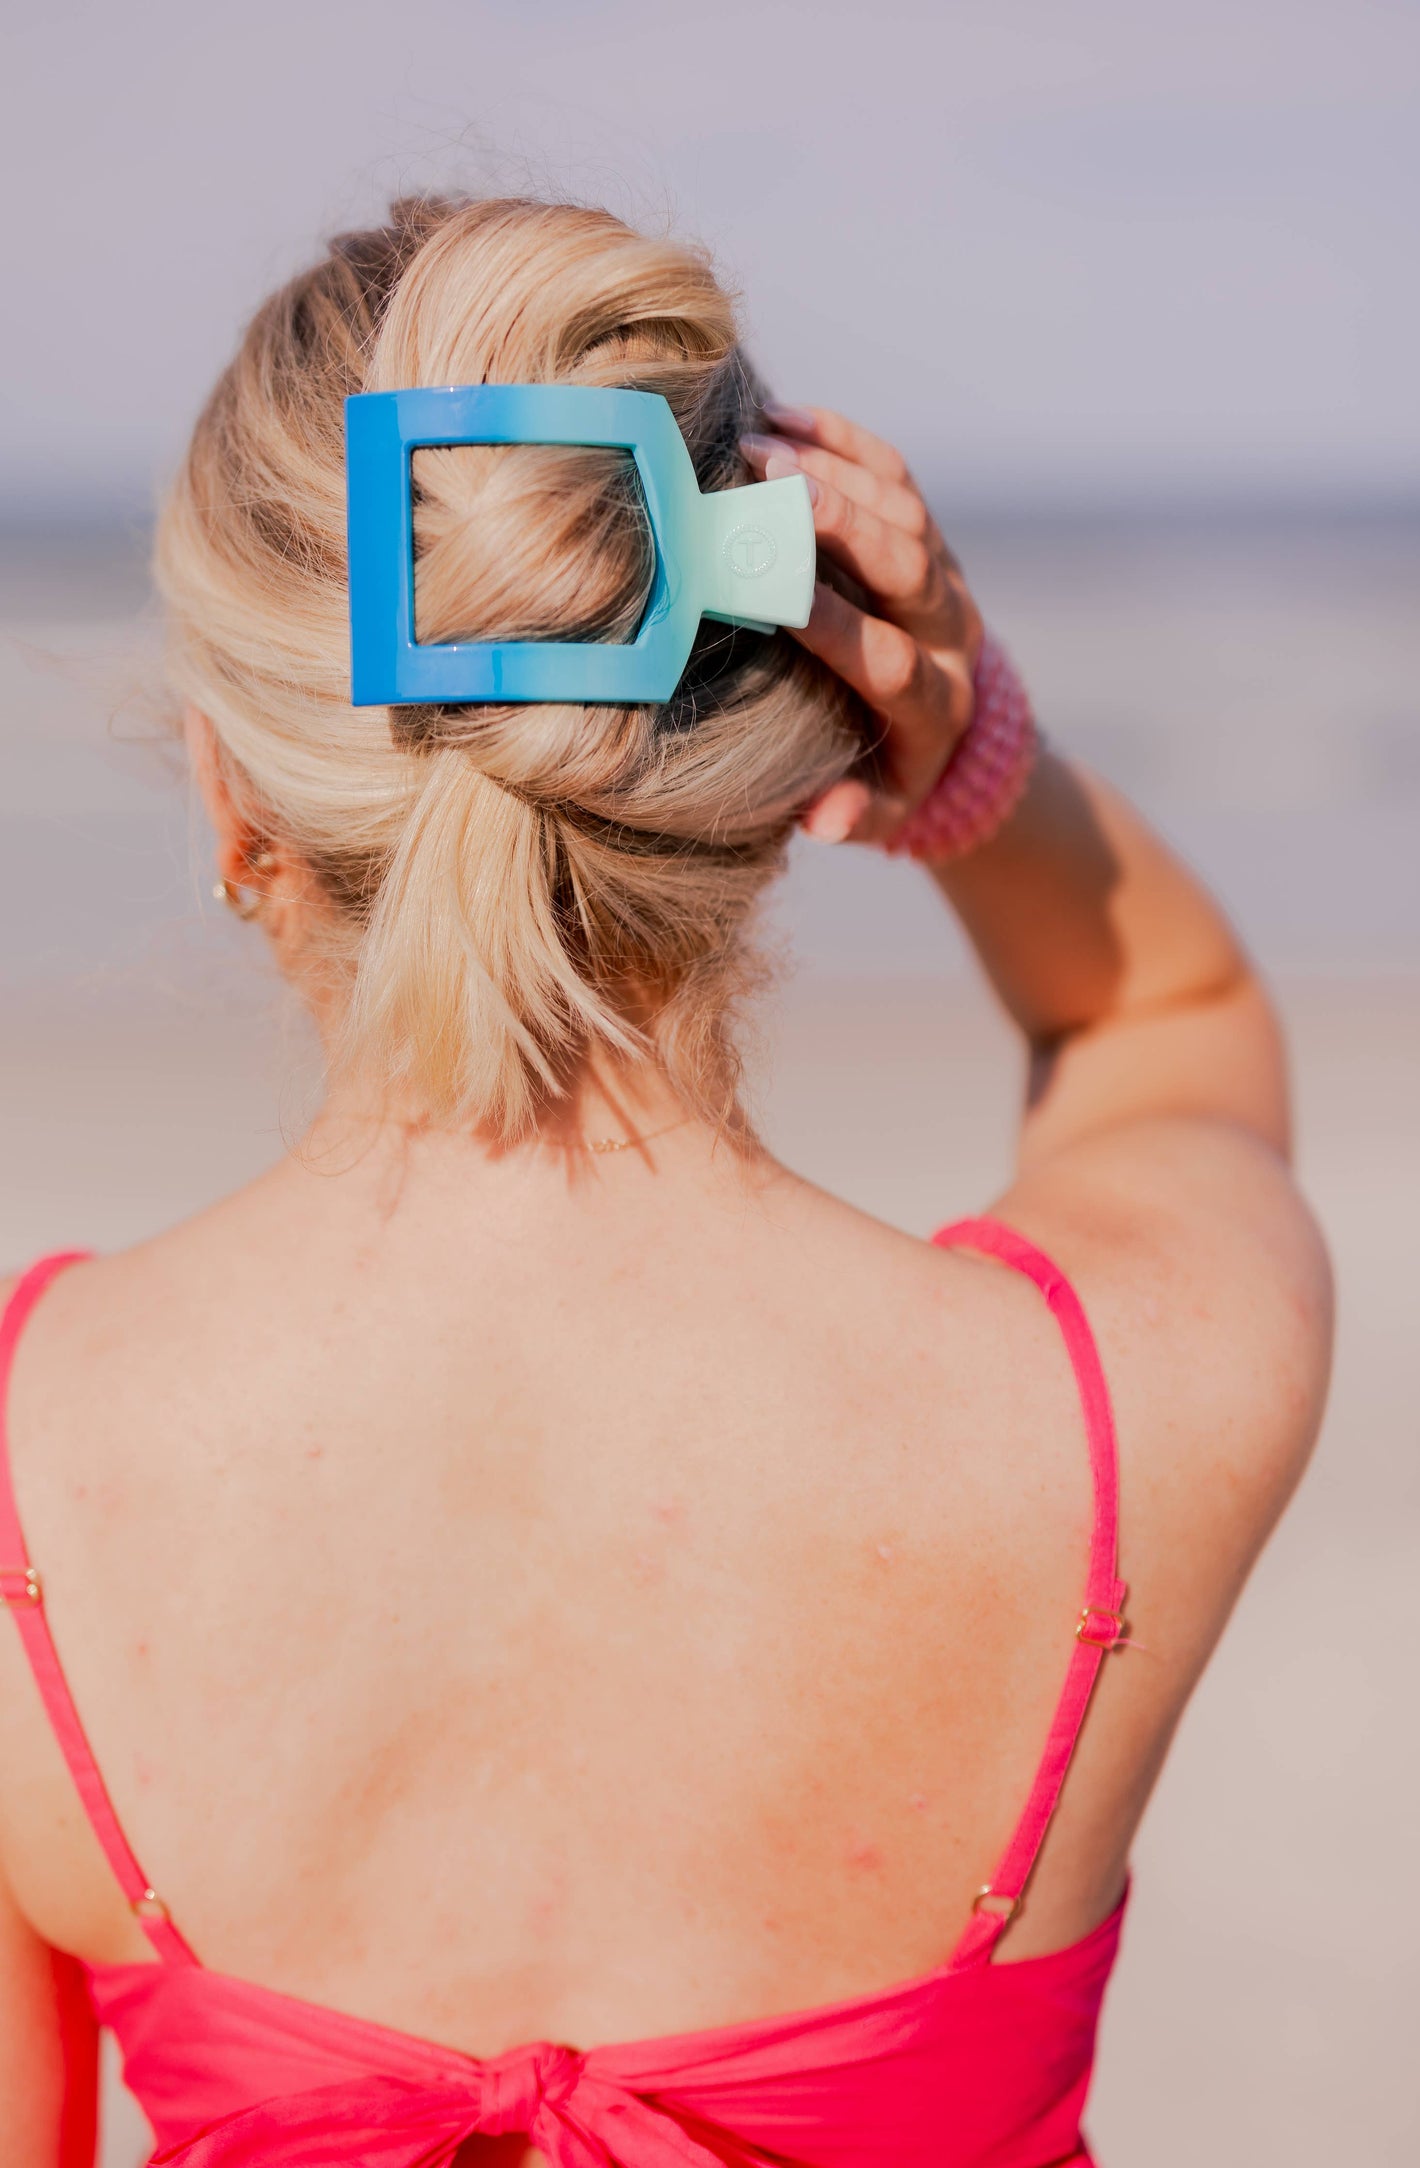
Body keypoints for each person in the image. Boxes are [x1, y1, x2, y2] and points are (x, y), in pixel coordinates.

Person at [0, 195, 1331, 2168]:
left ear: (232, 795)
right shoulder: (1118, 1402)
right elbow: (1175, 1019)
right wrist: (979, 762)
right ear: (787, 745)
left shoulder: (34, 1462)